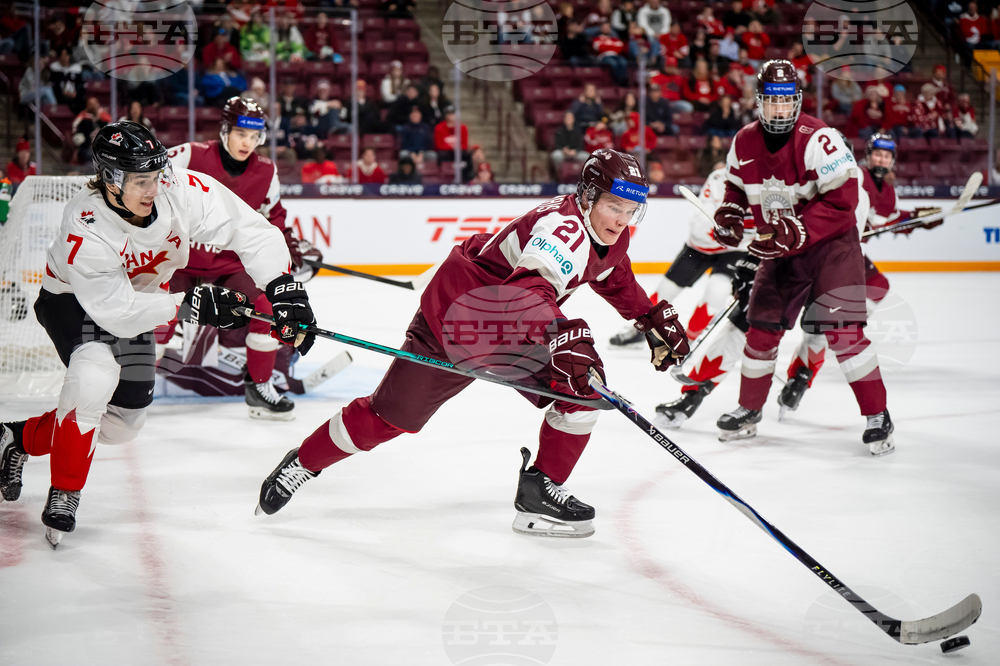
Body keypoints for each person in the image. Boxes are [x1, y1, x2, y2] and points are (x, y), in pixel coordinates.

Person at [253, 149, 690, 539]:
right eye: (614, 206)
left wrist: (647, 316)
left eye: (631, 209)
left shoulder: (609, 233)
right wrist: (561, 333)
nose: (622, 219)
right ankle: (303, 462)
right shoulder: (563, 230)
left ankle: (540, 490)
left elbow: (612, 273)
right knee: (388, 418)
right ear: (589, 197)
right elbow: (527, 292)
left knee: (582, 388)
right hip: (458, 320)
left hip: (513, 326)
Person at [0, 121, 315, 548]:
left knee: (123, 424)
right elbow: (114, 311)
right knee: (93, 375)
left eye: (156, 174)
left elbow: (248, 228)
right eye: (141, 181)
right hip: (75, 301)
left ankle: (15, 438)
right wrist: (187, 304)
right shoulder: (85, 223)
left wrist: (283, 287)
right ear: (111, 179)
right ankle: (65, 492)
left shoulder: (176, 187)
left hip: (143, 299)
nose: (154, 188)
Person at [710, 59, 894, 456]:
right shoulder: (743, 141)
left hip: (832, 249)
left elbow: (844, 200)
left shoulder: (819, 138)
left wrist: (799, 229)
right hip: (780, 249)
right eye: (771, 101)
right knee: (761, 328)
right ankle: (749, 409)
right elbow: (736, 188)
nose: (778, 110)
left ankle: (878, 415)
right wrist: (730, 213)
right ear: (759, 101)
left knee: (845, 334)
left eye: (785, 101)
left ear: (796, 101)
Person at [165, 97, 319, 419]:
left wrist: (284, 246)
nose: (247, 143)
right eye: (240, 134)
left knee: (268, 306)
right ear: (225, 131)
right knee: (155, 315)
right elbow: (149, 186)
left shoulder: (266, 171)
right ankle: (130, 385)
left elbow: (274, 216)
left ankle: (259, 386)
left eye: (254, 136)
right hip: (180, 261)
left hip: (228, 265)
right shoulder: (190, 154)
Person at [773, 133, 943, 416]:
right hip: (833, 253)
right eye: (877, 154)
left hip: (850, 255)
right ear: (868, 156)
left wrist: (918, 218)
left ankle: (805, 372)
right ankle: (802, 373)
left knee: (876, 287)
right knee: (819, 325)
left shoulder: (887, 191)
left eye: (887, 156)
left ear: (892, 161)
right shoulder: (857, 176)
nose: (881, 160)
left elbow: (885, 219)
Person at [610, 166, 752, 349]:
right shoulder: (719, 178)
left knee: (717, 291)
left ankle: (689, 340)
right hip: (701, 247)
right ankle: (642, 330)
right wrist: (717, 231)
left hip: (737, 251)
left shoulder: (766, 183)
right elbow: (698, 226)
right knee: (665, 291)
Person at [71, 97, 112, 165]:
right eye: (91, 104)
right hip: (88, 149)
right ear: (87, 106)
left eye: (94, 104)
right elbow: (75, 130)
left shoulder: (104, 119)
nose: (93, 106)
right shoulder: (83, 121)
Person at [550, 111, 589, 176]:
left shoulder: (578, 131)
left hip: (575, 153)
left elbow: (580, 146)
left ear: (573, 119)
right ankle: (559, 174)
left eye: (570, 118)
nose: (568, 119)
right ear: (564, 119)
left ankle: (582, 175)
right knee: (556, 155)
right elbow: (557, 145)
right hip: (563, 153)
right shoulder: (559, 131)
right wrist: (563, 149)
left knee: (586, 156)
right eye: (567, 118)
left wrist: (575, 151)